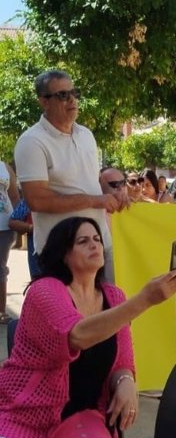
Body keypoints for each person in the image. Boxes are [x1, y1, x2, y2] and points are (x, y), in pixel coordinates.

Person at [0, 216, 176, 438]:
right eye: (83, 241)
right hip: (23, 414)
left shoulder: (113, 295)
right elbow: (77, 335)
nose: (94, 245)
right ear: (64, 252)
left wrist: (125, 380)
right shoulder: (45, 291)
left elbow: (122, 358)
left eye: (97, 239)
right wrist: (145, 299)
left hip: (82, 415)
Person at [14, 70, 127, 284]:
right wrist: (96, 200)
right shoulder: (31, 142)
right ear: (43, 102)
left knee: (109, 312)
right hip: (61, 254)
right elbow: (37, 200)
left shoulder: (86, 135)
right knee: (72, 317)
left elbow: (92, 184)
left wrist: (116, 195)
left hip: (101, 243)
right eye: (63, 95)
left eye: (75, 92)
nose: (72, 99)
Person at [0, 159, 19, 323]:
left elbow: (14, 197)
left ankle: (1, 312)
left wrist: (19, 221)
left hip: (4, 227)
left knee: (0, 268)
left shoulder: (4, 167)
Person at [9, 197, 40, 280]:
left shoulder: (69, 194)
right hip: (36, 255)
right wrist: (32, 228)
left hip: (65, 255)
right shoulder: (32, 198)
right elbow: (13, 222)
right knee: (39, 285)